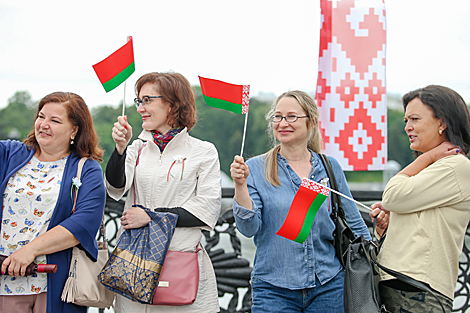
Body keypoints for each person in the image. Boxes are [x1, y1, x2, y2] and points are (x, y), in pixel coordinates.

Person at [230, 90, 371, 313]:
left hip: (328, 285)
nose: (283, 123)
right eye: (277, 116)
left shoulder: (329, 167)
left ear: (311, 122)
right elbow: (248, 228)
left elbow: (355, 224)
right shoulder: (255, 168)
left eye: (291, 116)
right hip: (273, 289)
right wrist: (240, 185)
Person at [105, 71, 221, 313]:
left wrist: (152, 216)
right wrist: (119, 149)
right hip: (134, 264)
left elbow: (206, 210)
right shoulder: (136, 147)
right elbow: (116, 187)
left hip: (180, 264)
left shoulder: (203, 151)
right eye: (139, 100)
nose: (140, 108)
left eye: (148, 100)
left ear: (173, 104)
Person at [0, 92, 106, 313]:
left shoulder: (87, 169)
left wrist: (30, 251)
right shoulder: (10, 154)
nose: (44, 125)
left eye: (55, 120)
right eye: (41, 116)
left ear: (74, 130)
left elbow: (84, 223)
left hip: (55, 283)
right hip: (5, 282)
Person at [369, 85, 470, 312]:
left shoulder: (454, 166)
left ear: (442, 123)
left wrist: (428, 157)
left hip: (418, 290)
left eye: (415, 119)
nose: (408, 127)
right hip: (405, 285)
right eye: (406, 120)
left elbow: (393, 196)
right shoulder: (434, 167)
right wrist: (389, 227)